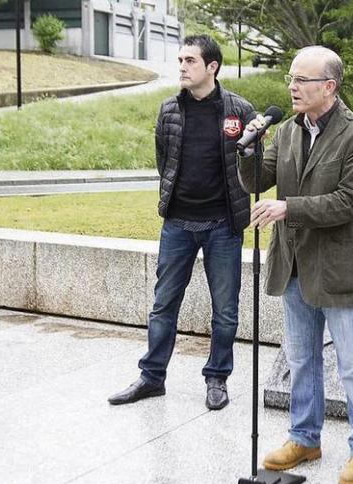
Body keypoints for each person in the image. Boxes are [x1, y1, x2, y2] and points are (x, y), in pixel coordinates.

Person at [239, 46, 353, 484]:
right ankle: (305, 438)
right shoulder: (285, 131)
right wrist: (247, 148)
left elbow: (348, 203)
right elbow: (255, 182)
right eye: (291, 79)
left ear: (330, 86)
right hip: (294, 264)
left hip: (336, 267)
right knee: (301, 358)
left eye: (302, 80)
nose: (292, 87)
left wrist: (288, 208)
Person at [108, 35, 259, 411]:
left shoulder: (238, 110)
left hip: (223, 225)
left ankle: (217, 378)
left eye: (190, 61)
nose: (182, 67)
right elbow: (165, 162)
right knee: (163, 304)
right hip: (177, 223)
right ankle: (151, 377)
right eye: (180, 60)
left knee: (225, 309)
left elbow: (253, 168)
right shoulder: (169, 110)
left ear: (212, 67)